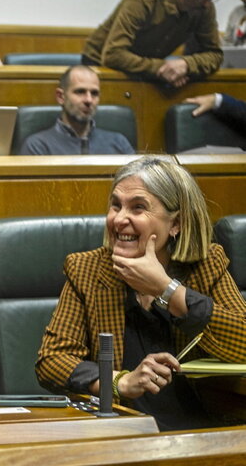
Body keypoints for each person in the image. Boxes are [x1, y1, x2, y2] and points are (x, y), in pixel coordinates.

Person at [36, 157, 246, 431]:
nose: (119, 219)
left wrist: (166, 289)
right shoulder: (87, 269)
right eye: (116, 205)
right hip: (122, 433)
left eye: (138, 207)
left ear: (176, 224)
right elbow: (51, 361)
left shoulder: (205, 265)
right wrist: (120, 381)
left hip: (202, 430)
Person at [81, 0, 223, 88]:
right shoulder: (143, 0)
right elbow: (114, 55)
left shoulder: (204, 9)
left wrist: (186, 65)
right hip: (99, 64)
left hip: (145, 68)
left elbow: (215, 55)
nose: (207, 4)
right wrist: (163, 68)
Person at [19, 65, 135, 155]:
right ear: (61, 96)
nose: (89, 100)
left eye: (94, 93)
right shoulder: (38, 146)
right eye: (80, 92)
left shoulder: (119, 143)